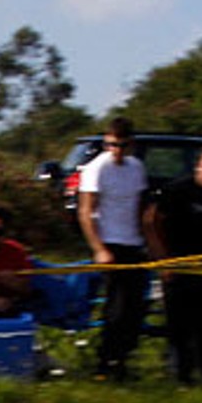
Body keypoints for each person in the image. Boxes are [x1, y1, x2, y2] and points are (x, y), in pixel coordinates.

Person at [146, 141, 202, 385]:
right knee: (179, 323)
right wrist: (162, 260)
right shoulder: (177, 190)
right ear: (198, 166)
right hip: (177, 265)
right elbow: (151, 221)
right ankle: (179, 371)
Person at [78, 117, 150, 380]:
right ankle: (106, 361)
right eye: (110, 144)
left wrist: (147, 240)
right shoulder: (96, 169)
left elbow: (140, 208)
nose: (115, 150)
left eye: (120, 145)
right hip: (109, 242)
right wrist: (99, 248)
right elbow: (86, 212)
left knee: (136, 306)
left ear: (130, 144)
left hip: (134, 243)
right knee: (116, 307)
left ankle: (123, 359)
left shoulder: (136, 168)